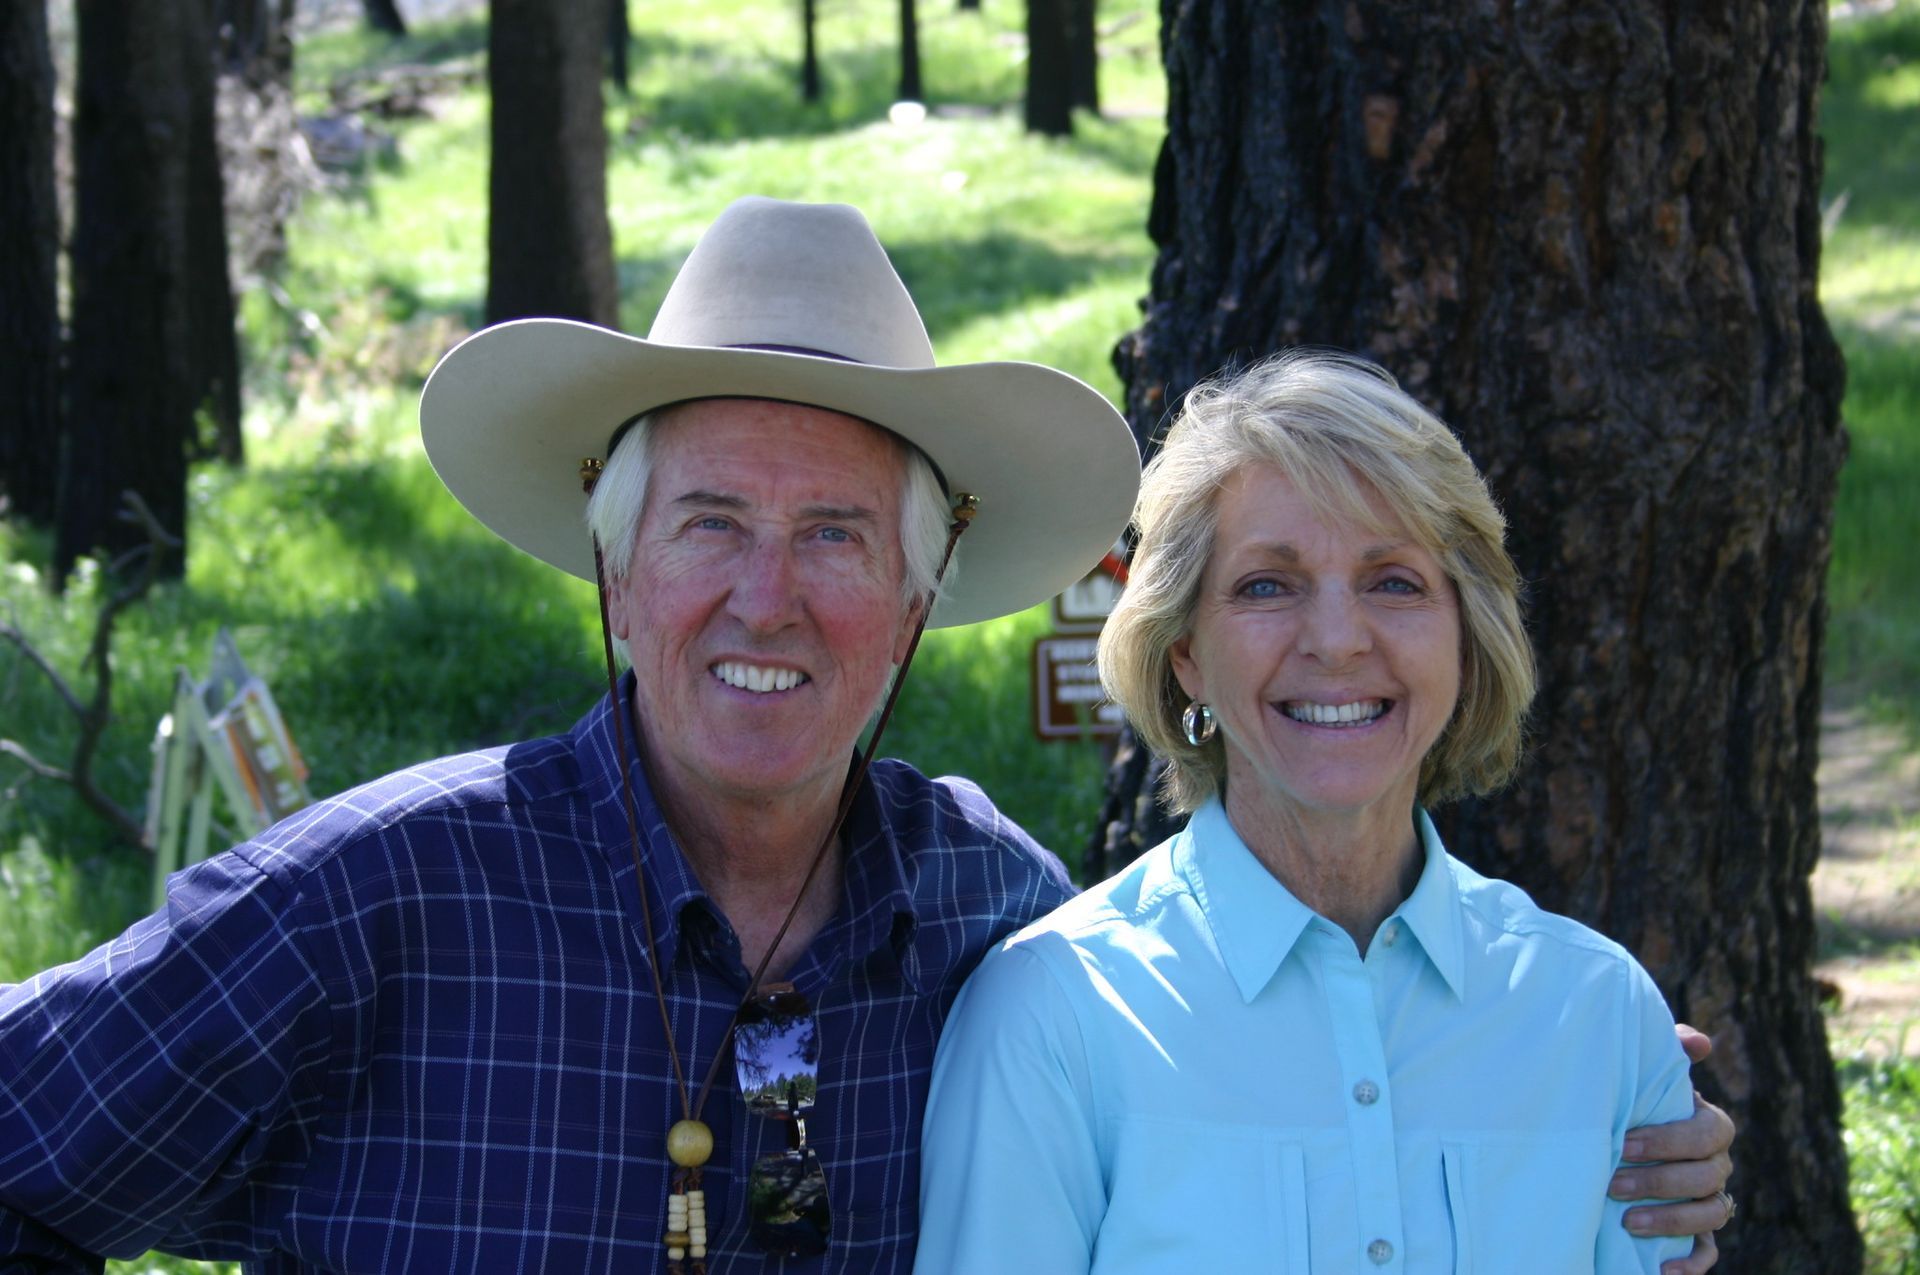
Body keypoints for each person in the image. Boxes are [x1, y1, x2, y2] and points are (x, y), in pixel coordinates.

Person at [0, 202, 1728, 1275]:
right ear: (614, 579)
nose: (770, 599)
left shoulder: (985, 921)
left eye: (836, 536)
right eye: (708, 527)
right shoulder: (381, 904)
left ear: (916, 603)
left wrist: (1592, 1101)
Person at [917, 351, 1739, 1274]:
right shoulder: (1051, 1019)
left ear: (1465, 635)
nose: (1339, 640)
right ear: (1185, 651)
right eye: (1268, 584)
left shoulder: (1601, 1016)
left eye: (1395, 581)